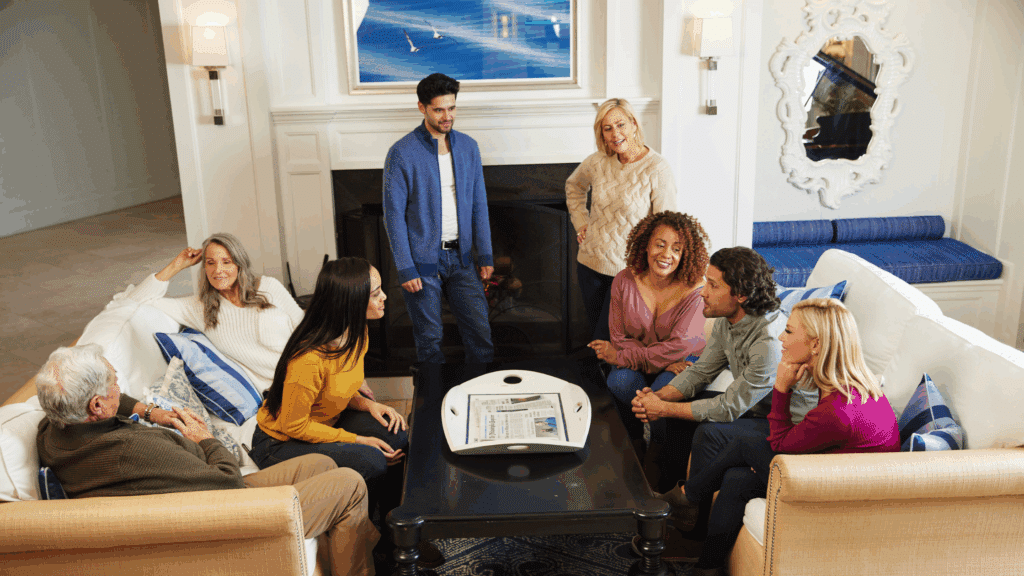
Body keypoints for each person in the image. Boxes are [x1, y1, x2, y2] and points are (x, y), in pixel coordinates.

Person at [34, 344, 377, 576]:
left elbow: (115, 401)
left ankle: (358, 548)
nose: (119, 384)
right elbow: (227, 482)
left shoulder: (53, 429)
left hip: (196, 489)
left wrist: (151, 412)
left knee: (322, 465)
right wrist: (204, 437)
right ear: (96, 406)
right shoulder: (133, 450)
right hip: (220, 517)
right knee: (350, 485)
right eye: (113, 382)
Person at [654, 298, 900, 576]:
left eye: (790, 331)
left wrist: (782, 388)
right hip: (836, 473)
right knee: (736, 480)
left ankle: (688, 496)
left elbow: (781, 446)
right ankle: (707, 567)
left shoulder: (838, 410)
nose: (781, 337)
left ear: (816, 344)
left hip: (841, 495)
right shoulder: (851, 385)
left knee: (746, 442)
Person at [631, 247, 818, 494]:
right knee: (674, 415)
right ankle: (663, 497)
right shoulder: (726, 320)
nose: (703, 293)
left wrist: (663, 407)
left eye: (713, 285)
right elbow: (701, 372)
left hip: (786, 421)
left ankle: (691, 513)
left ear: (740, 295)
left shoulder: (769, 340)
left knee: (708, 431)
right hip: (753, 406)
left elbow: (729, 408)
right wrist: (656, 398)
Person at [250, 258, 409, 496]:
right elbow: (294, 425)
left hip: (326, 422)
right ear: (352, 302)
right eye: (376, 294)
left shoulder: (358, 332)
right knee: (373, 459)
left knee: (395, 435)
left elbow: (337, 388)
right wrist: (356, 440)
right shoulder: (308, 359)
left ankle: (393, 514)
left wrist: (368, 404)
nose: (385, 297)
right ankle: (372, 521)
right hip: (280, 443)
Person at [383, 72, 494, 364]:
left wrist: (486, 254)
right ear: (422, 108)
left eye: (452, 108)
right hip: (422, 264)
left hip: (463, 259)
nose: (447, 116)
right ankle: (434, 406)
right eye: (439, 109)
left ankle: (479, 401)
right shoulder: (401, 153)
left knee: (481, 336)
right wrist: (405, 268)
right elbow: (393, 215)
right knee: (430, 342)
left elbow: (479, 204)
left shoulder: (469, 147)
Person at [587, 211, 709, 474]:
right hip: (665, 362)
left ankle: (659, 450)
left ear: (685, 253)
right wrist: (656, 362)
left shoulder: (696, 289)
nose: (667, 255)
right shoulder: (624, 280)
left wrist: (621, 358)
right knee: (619, 381)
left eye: (677, 249)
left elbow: (680, 346)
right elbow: (619, 337)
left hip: (683, 362)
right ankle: (634, 440)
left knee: (669, 388)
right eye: (660, 244)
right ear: (646, 245)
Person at [566, 98, 678, 341]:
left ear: (634, 125)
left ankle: (612, 378)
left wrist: (652, 271)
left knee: (610, 338)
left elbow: (666, 227)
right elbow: (574, 186)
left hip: (629, 271)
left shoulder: (657, 168)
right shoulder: (597, 161)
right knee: (597, 335)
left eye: (621, 125)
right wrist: (581, 222)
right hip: (590, 263)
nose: (615, 134)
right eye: (607, 128)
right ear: (602, 134)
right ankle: (598, 378)